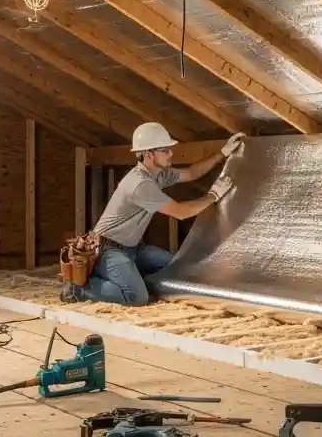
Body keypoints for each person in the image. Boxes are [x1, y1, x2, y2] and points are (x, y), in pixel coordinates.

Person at [63, 122, 243, 306]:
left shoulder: (158, 174)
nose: (171, 154)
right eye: (165, 150)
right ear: (149, 154)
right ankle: (78, 289)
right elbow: (180, 212)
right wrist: (213, 196)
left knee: (179, 267)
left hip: (133, 248)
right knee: (137, 297)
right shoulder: (140, 184)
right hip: (108, 251)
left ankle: (129, 275)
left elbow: (190, 173)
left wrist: (223, 152)